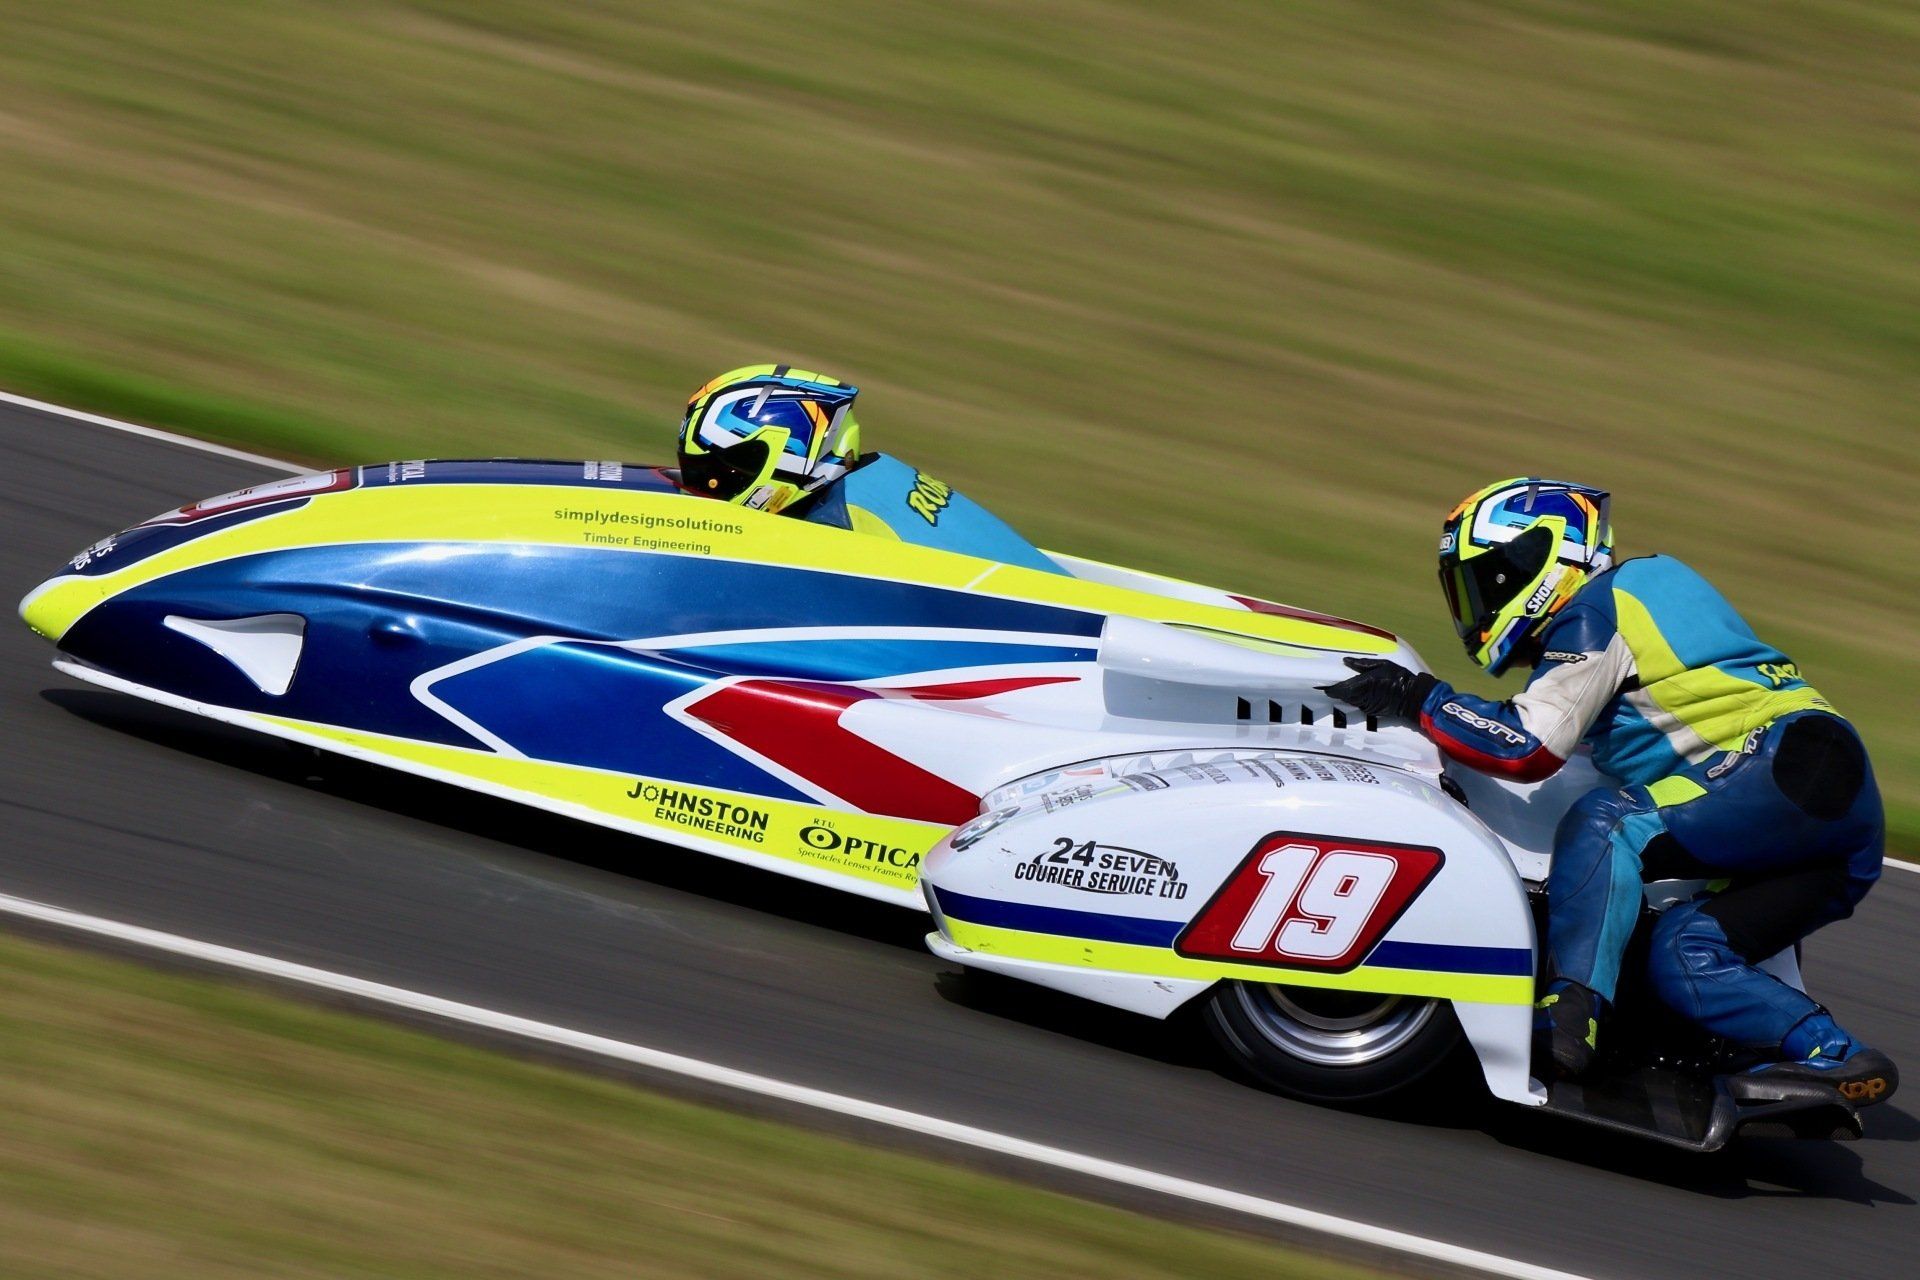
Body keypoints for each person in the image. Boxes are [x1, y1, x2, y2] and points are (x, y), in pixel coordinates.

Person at [1320, 477, 1895, 1106]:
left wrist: (1418, 698)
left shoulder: (1597, 607)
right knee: (1686, 954)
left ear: (1546, 560)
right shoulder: (1640, 594)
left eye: (1490, 580)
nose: (1480, 603)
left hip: (1792, 765)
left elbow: (1528, 747)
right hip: (1834, 810)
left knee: (1609, 824)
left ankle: (1571, 1018)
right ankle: (1836, 1057)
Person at [675, 364, 1063, 573]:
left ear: (786, 456)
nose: (704, 489)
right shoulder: (872, 479)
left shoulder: (839, 522)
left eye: (716, 475)